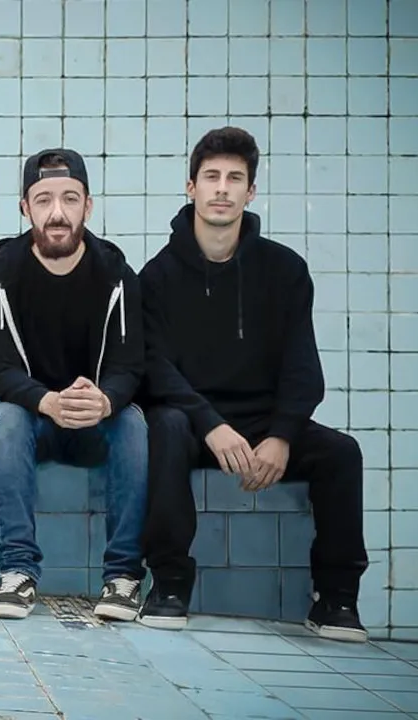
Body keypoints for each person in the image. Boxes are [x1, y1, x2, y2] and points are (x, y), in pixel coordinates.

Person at [138, 127, 369, 641]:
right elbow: (155, 368)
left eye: (234, 178)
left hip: (263, 424)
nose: (222, 188)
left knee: (341, 453)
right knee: (165, 427)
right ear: (191, 187)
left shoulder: (284, 270)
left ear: (251, 191)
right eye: (211, 177)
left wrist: (282, 435)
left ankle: (336, 599)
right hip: (194, 422)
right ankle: (169, 584)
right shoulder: (157, 276)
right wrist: (211, 424)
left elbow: (302, 366)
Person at [0, 148, 148, 621]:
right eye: (44, 199)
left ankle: (123, 578)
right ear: (25, 207)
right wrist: (46, 401)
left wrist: (106, 400)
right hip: (33, 415)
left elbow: (130, 365)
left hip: (94, 417)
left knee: (133, 422)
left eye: (70, 199)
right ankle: (17, 573)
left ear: (87, 206)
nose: (57, 213)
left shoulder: (116, 275)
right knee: (7, 418)